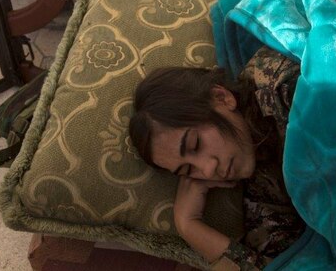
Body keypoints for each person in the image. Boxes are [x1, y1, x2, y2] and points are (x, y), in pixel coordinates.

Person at [128, 46, 305, 271]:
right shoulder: (259, 183)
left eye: (195, 144)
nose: (208, 170)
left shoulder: (281, 86)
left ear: (221, 97)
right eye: (188, 170)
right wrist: (189, 225)